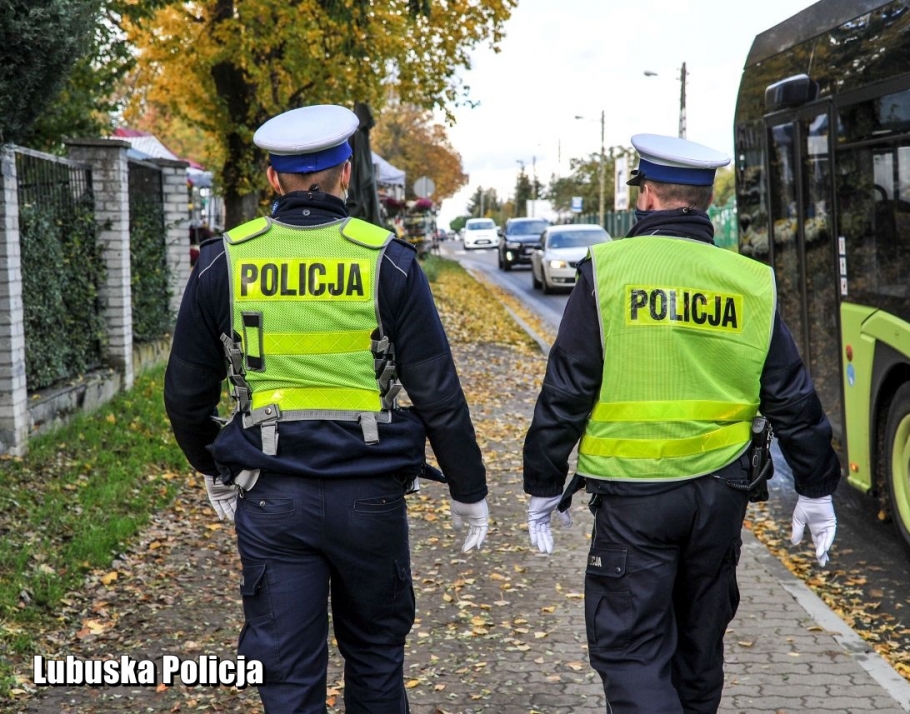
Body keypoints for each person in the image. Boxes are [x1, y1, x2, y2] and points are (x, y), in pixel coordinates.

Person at [163, 104, 489, 713]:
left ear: (271, 179)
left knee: (286, 676)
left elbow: (185, 396)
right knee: (375, 662)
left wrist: (212, 467)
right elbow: (438, 393)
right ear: (345, 173)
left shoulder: (223, 261)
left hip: (272, 496)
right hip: (370, 498)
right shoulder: (387, 260)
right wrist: (468, 490)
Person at [522, 133, 840, 714]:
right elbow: (792, 395)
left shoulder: (609, 271)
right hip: (721, 497)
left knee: (632, 653)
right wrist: (817, 487)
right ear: (707, 197)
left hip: (634, 501)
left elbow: (567, 388)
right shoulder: (748, 281)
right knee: (699, 651)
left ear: (646, 198)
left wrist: (542, 482)